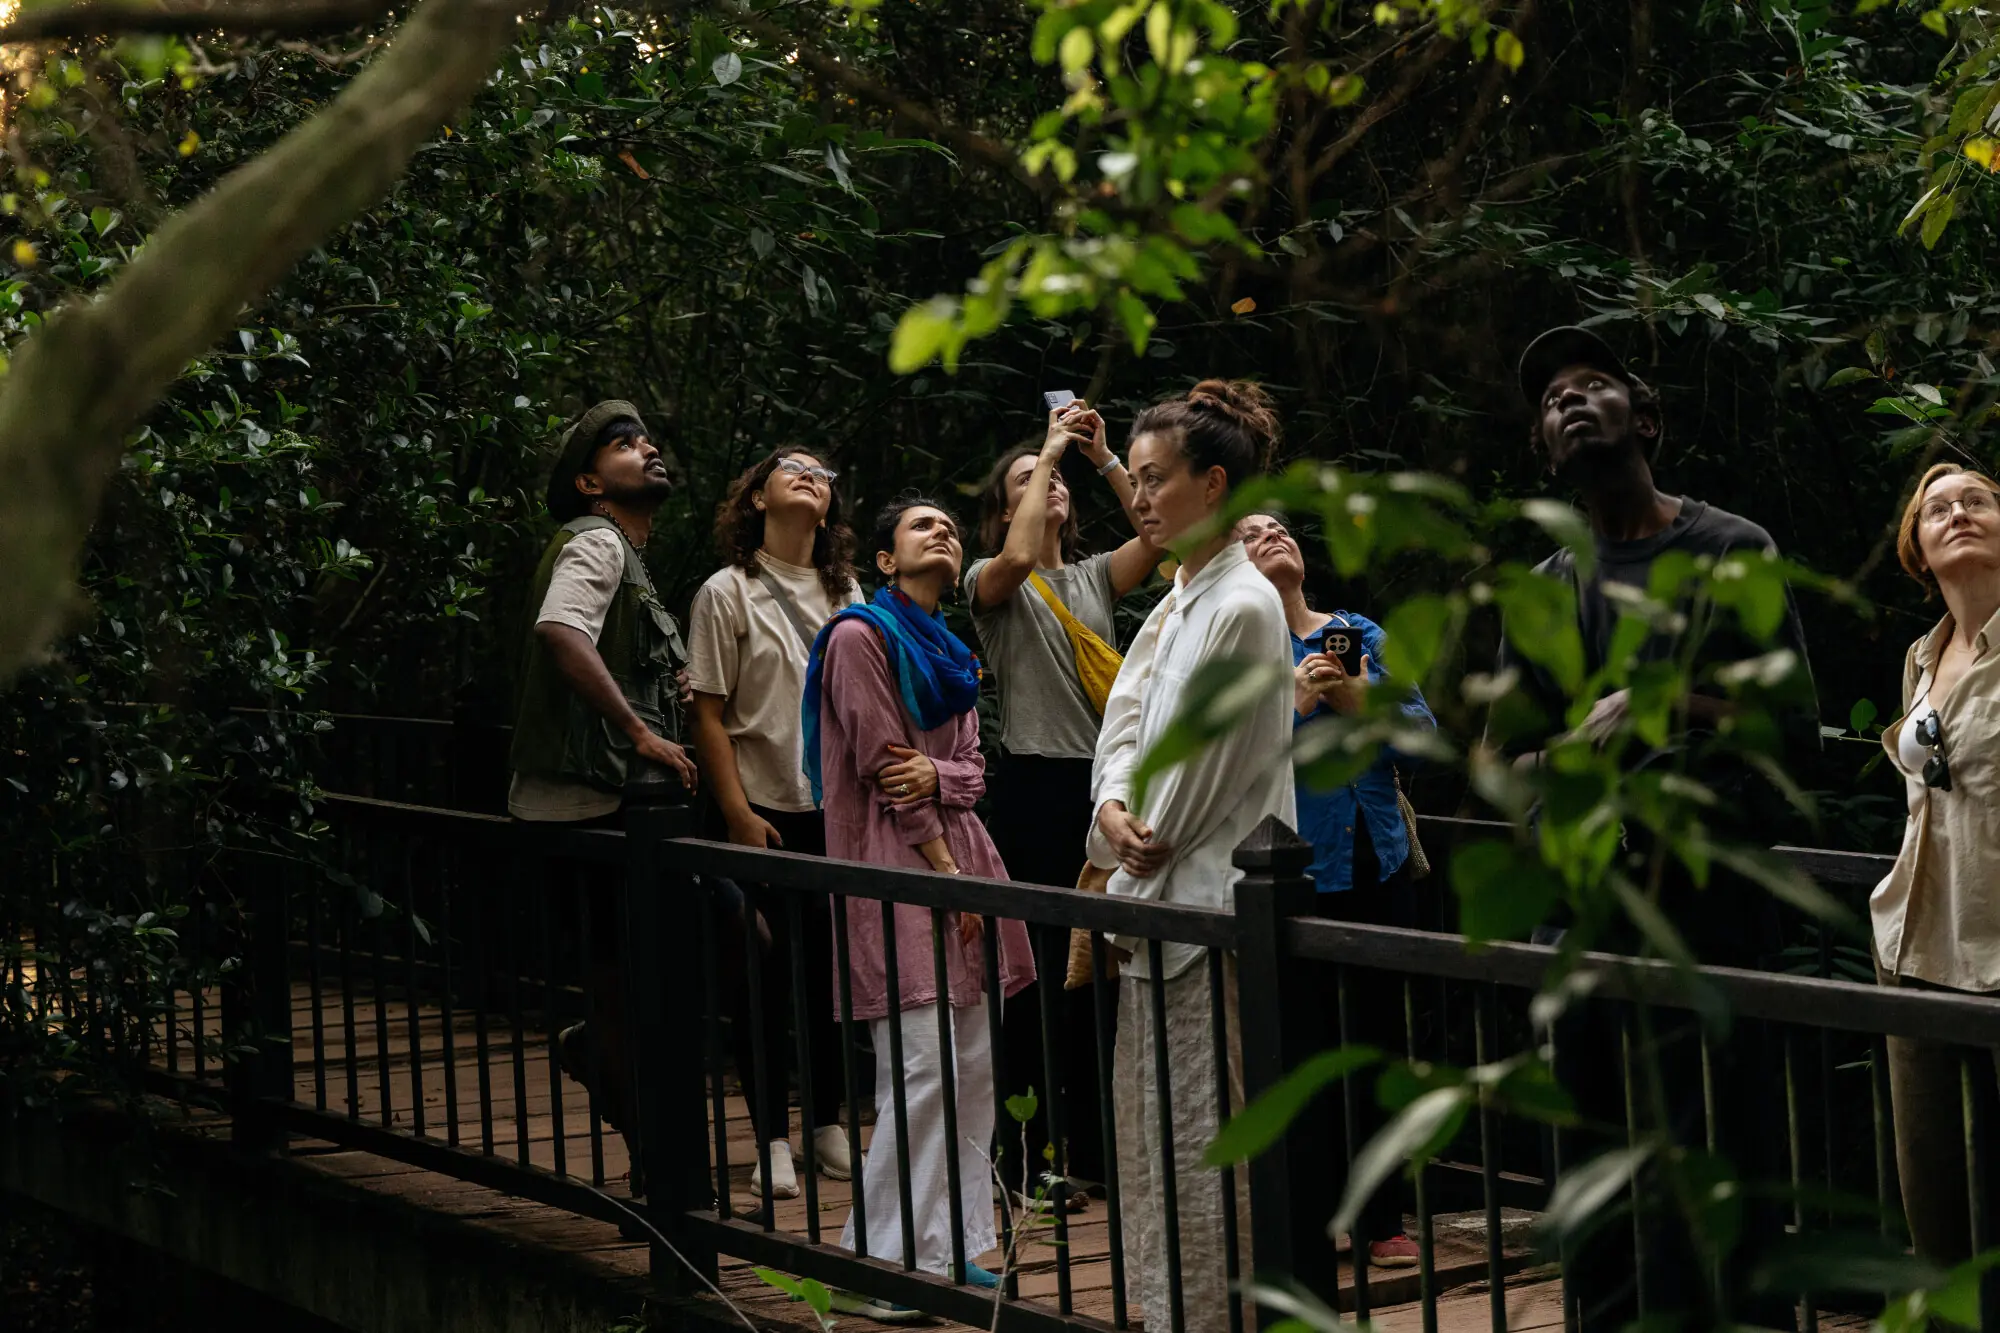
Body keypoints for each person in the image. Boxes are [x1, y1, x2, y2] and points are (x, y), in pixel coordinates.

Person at [1502, 327, 1816, 1331]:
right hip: (1582, 923)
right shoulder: (1546, 588)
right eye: (1550, 399)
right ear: (1542, 450)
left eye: (1592, 387)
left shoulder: (1730, 549)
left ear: (1645, 420)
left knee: (1721, 1177)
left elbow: (1789, 735)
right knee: (1594, 1181)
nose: (1568, 402)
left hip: (1706, 923)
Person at [1087, 381, 1295, 1332]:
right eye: (1133, 479)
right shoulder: (1175, 600)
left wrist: (1133, 840)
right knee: (1154, 1143)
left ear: (1214, 485)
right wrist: (1111, 809)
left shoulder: (1244, 605)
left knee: (1211, 1147)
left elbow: (1200, 781)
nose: (1139, 497)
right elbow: (1122, 727)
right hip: (1154, 905)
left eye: (1155, 478)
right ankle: (1169, 1314)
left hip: (1208, 911)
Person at [804, 495, 1035, 1319]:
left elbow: (968, 768)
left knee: (971, 1067)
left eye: (949, 524)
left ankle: (955, 1242)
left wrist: (941, 781)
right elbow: (880, 764)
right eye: (919, 526)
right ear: (886, 562)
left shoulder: (952, 651)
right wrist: (942, 863)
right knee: (922, 1067)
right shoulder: (860, 638)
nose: (943, 531)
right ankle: (877, 1260)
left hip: (961, 863)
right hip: (900, 868)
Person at [964, 400, 1158, 1213]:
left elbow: (1164, 537)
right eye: (1026, 481)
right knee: (1038, 980)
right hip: (1035, 790)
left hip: (1100, 787)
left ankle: (1097, 1153)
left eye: (1050, 479)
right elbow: (1012, 556)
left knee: (1100, 977)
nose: (1049, 487)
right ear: (1009, 504)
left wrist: (1105, 457)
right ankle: (1024, 1160)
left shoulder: (1092, 576)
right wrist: (1043, 449)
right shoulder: (989, 582)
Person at [507, 399, 698, 1192]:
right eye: (624, 446)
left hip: (615, 803)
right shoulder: (596, 541)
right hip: (597, 803)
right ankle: (665, 1178)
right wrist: (640, 733)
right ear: (591, 481)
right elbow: (561, 631)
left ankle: (654, 1149)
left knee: (652, 979)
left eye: (647, 438)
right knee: (633, 990)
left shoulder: (625, 553)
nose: (646, 448)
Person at [1237, 510, 1434, 1270]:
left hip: (1377, 859)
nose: (1272, 536)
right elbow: (1231, 761)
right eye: (1251, 533)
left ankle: (1384, 1213)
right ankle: (1319, 1210)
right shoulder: (1244, 644)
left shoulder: (1358, 631)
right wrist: (1297, 701)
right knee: (1305, 1045)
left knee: (1382, 1042)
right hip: (1290, 872)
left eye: (1280, 527)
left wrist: (1357, 701)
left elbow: (1422, 732)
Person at [687, 448, 862, 1201]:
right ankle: (771, 1137)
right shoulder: (728, 591)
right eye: (789, 468)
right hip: (758, 806)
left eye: (820, 472)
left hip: (833, 811)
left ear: (828, 506)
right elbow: (708, 709)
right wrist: (734, 811)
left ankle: (826, 1121)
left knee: (827, 972)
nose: (807, 475)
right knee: (761, 977)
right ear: (756, 495)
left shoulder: (847, 590)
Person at [1872, 462, 2000, 1274]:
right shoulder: (1923, 656)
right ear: (1917, 547)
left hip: (1996, 951)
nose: (1957, 513)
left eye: (1978, 501)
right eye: (1937, 508)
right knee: (1935, 1204)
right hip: (1913, 948)